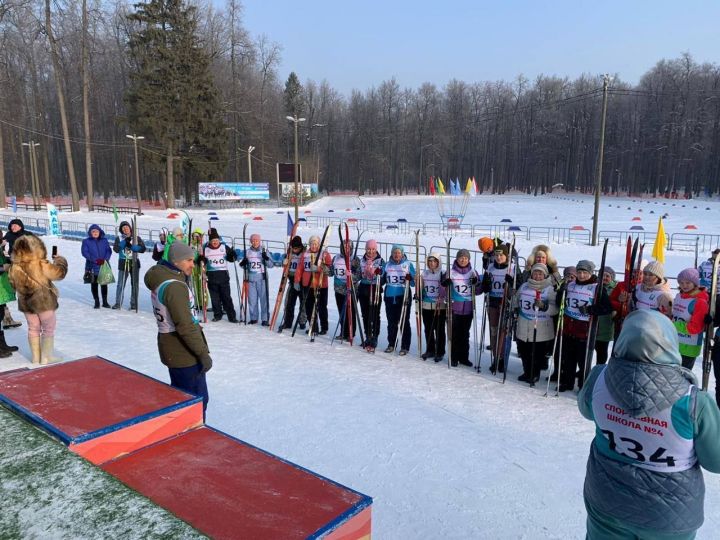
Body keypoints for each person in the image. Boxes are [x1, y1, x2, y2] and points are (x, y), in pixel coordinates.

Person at [578, 309, 720, 540]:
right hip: (669, 515)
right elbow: (716, 461)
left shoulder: (599, 377)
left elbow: (587, 410)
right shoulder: (694, 401)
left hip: (607, 501)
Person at [144, 241, 213, 418]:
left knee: (182, 399)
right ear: (176, 261)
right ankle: (194, 439)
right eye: (189, 260)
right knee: (195, 403)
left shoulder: (165, 277)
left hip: (173, 348)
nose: (192, 264)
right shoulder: (174, 286)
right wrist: (202, 353)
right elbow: (185, 326)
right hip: (183, 352)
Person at [8, 235, 68, 364]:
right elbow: (59, 273)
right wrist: (60, 260)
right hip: (43, 301)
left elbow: (13, 284)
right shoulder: (41, 264)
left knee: (33, 328)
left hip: (25, 302)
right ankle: (46, 357)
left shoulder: (14, 267)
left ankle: (36, 358)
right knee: (48, 328)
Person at [556, 259, 611, 392]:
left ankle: (583, 385)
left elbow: (606, 308)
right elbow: (560, 302)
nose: (581, 275)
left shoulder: (596, 287)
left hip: (585, 330)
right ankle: (567, 382)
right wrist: (561, 291)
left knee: (583, 360)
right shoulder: (571, 285)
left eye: (584, 273)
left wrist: (590, 309)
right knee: (569, 358)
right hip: (569, 327)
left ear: (590, 273)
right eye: (579, 272)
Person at [513, 263, 557, 383]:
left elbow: (555, 309)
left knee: (537, 353)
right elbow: (516, 300)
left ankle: (534, 374)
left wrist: (544, 306)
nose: (537, 275)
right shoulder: (524, 286)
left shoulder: (549, 288)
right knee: (524, 350)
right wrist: (514, 306)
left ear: (545, 275)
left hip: (541, 325)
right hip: (524, 323)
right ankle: (527, 372)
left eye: (540, 273)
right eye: (535, 273)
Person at [481, 243, 518, 372]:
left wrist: (512, 283)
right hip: (493, 303)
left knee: (505, 332)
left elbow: (517, 287)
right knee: (494, 331)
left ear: (506, 256)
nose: (498, 257)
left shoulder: (512, 268)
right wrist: (485, 285)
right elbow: (484, 286)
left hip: (506, 304)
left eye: (501, 255)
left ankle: (503, 360)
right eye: (496, 255)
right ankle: (496, 358)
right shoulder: (490, 267)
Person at [443, 248, 480, 367]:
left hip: (468, 308)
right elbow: (443, 291)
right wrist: (445, 284)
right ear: (457, 259)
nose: (463, 260)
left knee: (465, 334)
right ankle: (454, 357)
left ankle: (464, 357)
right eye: (461, 257)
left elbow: (478, 291)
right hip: (454, 307)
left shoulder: (473, 272)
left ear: (469, 259)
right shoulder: (450, 272)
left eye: (465, 258)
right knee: (454, 333)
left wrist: (476, 284)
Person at [672, 268, 710, 371]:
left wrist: (672, 325)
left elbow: (694, 328)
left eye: (688, 282)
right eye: (681, 282)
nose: (684, 285)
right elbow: (674, 314)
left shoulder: (700, 302)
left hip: (688, 347)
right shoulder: (679, 296)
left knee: (682, 379)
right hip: (674, 343)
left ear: (695, 283)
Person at [294, 234, 332, 336]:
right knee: (309, 307)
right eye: (312, 243)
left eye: (315, 244)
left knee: (322, 307)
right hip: (307, 285)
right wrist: (297, 281)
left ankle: (324, 327)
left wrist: (319, 268)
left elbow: (329, 269)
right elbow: (300, 268)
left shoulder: (324, 254)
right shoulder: (305, 254)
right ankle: (313, 327)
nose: (314, 246)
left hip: (321, 285)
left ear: (319, 244)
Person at [382, 244, 415, 355]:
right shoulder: (387, 265)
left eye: (399, 253)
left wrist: (410, 278)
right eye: (395, 252)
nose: (397, 255)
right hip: (390, 297)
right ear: (392, 253)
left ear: (402, 254)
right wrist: (378, 274)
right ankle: (391, 344)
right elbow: (381, 280)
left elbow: (414, 283)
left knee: (404, 322)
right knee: (391, 322)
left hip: (403, 296)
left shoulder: (408, 264)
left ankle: (405, 346)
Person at [201, 228, 237, 323]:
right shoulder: (206, 248)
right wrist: (201, 260)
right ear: (210, 241)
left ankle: (232, 316)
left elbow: (231, 258)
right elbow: (201, 261)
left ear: (219, 240)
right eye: (213, 241)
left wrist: (233, 255)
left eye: (216, 240)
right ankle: (217, 315)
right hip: (211, 277)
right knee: (215, 299)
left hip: (223, 277)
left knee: (226, 298)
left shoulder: (224, 247)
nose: (215, 242)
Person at [112, 220, 147, 310]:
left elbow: (143, 248)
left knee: (134, 284)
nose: (125, 229)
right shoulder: (119, 238)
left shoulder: (136, 238)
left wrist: (133, 247)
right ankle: (118, 302)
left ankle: (134, 303)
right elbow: (116, 249)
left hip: (134, 262)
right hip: (123, 262)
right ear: (121, 230)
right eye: (123, 228)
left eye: (126, 227)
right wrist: (124, 243)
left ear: (130, 228)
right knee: (121, 283)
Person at [331, 237, 360, 341]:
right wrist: (321, 267)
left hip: (351, 290)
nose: (346, 249)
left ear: (351, 248)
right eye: (344, 247)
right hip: (338, 290)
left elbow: (359, 275)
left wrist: (352, 276)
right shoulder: (336, 258)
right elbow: (330, 272)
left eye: (348, 247)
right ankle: (343, 332)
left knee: (351, 312)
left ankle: (351, 333)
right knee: (341, 312)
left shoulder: (355, 259)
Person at [357, 239, 384, 352]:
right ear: (365, 249)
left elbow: (383, 276)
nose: (371, 251)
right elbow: (358, 274)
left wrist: (378, 274)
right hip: (363, 289)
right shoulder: (362, 260)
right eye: (369, 249)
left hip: (375, 288)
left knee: (375, 314)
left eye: (373, 249)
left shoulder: (380, 261)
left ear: (376, 249)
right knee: (365, 314)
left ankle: (374, 337)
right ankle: (367, 336)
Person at [420, 252, 446, 362]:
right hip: (426, 305)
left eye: (434, 261)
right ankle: (430, 349)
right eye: (430, 261)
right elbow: (420, 287)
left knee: (439, 329)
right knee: (428, 329)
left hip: (440, 305)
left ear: (438, 262)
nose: (432, 263)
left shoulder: (443, 273)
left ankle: (440, 351)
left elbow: (446, 287)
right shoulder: (424, 273)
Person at [279, 235, 308, 331]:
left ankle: (302, 321)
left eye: (296, 248)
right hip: (292, 281)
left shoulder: (305, 254)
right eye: (293, 248)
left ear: (300, 247)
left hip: (302, 282)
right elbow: (283, 265)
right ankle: (287, 322)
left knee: (303, 304)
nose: (294, 250)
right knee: (288, 303)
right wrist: (284, 262)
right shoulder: (289, 253)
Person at [81, 224, 112, 308]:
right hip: (92, 265)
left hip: (104, 264)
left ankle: (105, 302)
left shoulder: (104, 240)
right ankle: (97, 301)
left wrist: (105, 259)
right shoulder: (86, 241)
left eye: (96, 231)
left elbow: (108, 251)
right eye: (93, 231)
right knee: (94, 284)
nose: (95, 233)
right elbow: (84, 252)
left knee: (104, 284)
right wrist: (95, 260)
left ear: (99, 232)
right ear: (90, 233)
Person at [594, 267, 617, 365]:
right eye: (602, 275)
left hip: (606, 323)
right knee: (590, 347)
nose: (604, 278)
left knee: (602, 349)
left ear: (612, 277)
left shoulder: (615, 288)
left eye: (607, 276)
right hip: (594, 321)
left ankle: (600, 368)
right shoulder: (595, 286)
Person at [698, 248, 720, 325]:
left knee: (716, 317)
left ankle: (714, 331)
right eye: (714, 253)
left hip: (717, 294)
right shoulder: (704, 264)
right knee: (703, 313)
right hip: (705, 292)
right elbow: (697, 275)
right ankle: (704, 328)